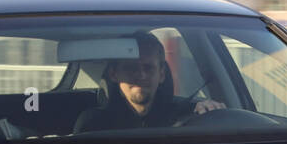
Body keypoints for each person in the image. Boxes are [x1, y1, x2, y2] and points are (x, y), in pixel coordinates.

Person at [73, 31, 223, 133]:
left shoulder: (188, 117)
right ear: (113, 74)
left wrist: (210, 112)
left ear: (162, 74)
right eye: (131, 68)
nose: (141, 75)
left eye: (149, 68)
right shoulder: (93, 124)